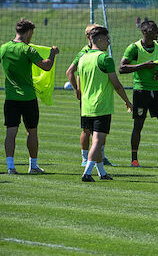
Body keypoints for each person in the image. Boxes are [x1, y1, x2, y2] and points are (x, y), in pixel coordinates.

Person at [1, 18, 59, 174]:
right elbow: (46, 66)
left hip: (11, 97)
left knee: (11, 132)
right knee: (31, 131)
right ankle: (33, 166)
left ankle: (10, 166)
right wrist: (52, 54)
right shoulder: (27, 50)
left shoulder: (4, 48)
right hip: (28, 98)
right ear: (28, 32)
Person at [119, 20, 158, 167]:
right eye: (154, 30)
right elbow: (121, 68)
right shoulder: (134, 48)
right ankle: (134, 160)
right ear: (145, 32)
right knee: (138, 124)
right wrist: (143, 66)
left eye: (157, 30)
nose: (157, 33)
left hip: (157, 90)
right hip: (141, 91)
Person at [79, 26, 132, 182]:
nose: (109, 43)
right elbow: (116, 84)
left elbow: (80, 81)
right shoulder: (105, 59)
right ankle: (87, 172)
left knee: (95, 139)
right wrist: (128, 101)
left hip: (86, 105)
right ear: (100, 40)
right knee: (98, 141)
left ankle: (101, 172)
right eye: (107, 40)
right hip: (101, 105)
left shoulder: (83, 58)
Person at [66, 23, 113, 167]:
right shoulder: (84, 53)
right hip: (89, 97)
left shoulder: (100, 53)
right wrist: (77, 90)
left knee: (99, 132)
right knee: (87, 130)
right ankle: (85, 158)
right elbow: (70, 72)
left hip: (98, 96)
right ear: (89, 36)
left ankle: (100, 157)